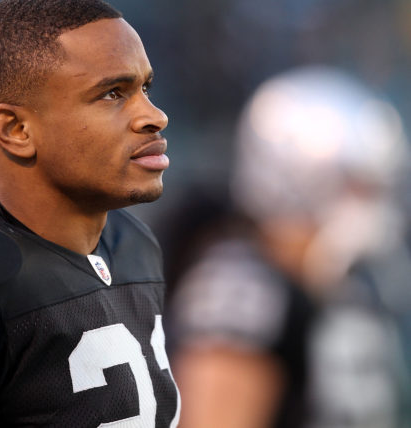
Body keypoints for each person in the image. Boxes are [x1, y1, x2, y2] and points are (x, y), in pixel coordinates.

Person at [0, 0, 180, 427]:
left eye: (145, 88)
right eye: (113, 93)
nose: (154, 116)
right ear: (16, 129)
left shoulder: (132, 242)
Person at [167, 66, 410, 427]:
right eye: (356, 185)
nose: (370, 207)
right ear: (296, 180)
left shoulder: (346, 280)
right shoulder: (240, 286)